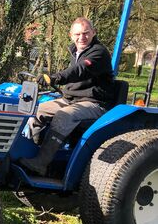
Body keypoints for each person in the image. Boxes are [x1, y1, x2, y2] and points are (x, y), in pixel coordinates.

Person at [19, 17, 115, 176]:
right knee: (35, 109)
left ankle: (41, 163)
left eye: (86, 33)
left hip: (94, 103)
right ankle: (30, 150)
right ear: (71, 35)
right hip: (71, 99)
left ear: (93, 32)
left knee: (64, 116)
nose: (82, 37)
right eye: (77, 34)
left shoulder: (99, 52)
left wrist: (54, 77)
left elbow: (79, 70)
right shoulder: (75, 51)